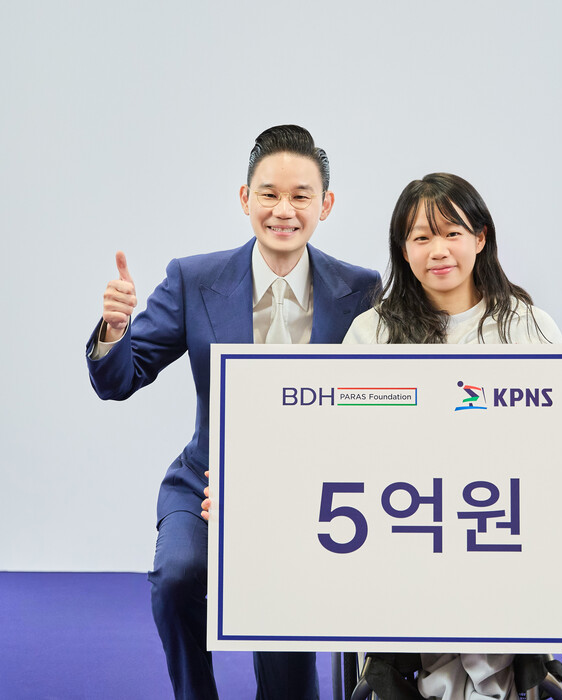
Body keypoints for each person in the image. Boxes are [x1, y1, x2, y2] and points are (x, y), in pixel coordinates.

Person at [86, 125, 381, 700]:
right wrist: (115, 332)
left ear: (325, 205)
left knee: (289, 669)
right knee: (177, 575)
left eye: (300, 196)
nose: (283, 210)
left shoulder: (360, 290)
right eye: (268, 193)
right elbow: (120, 379)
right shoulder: (194, 279)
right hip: (206, 482)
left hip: (309, 497)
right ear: (245, 198)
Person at [341, 172, 562, 700]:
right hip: (406, 524)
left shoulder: (526, 324)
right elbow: (342, 437)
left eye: (452, 233)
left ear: (480, 238)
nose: (438, 250)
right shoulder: (372, 332)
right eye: (421, 237)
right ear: (403, 251)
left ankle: (487, 675)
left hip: (505, 523)